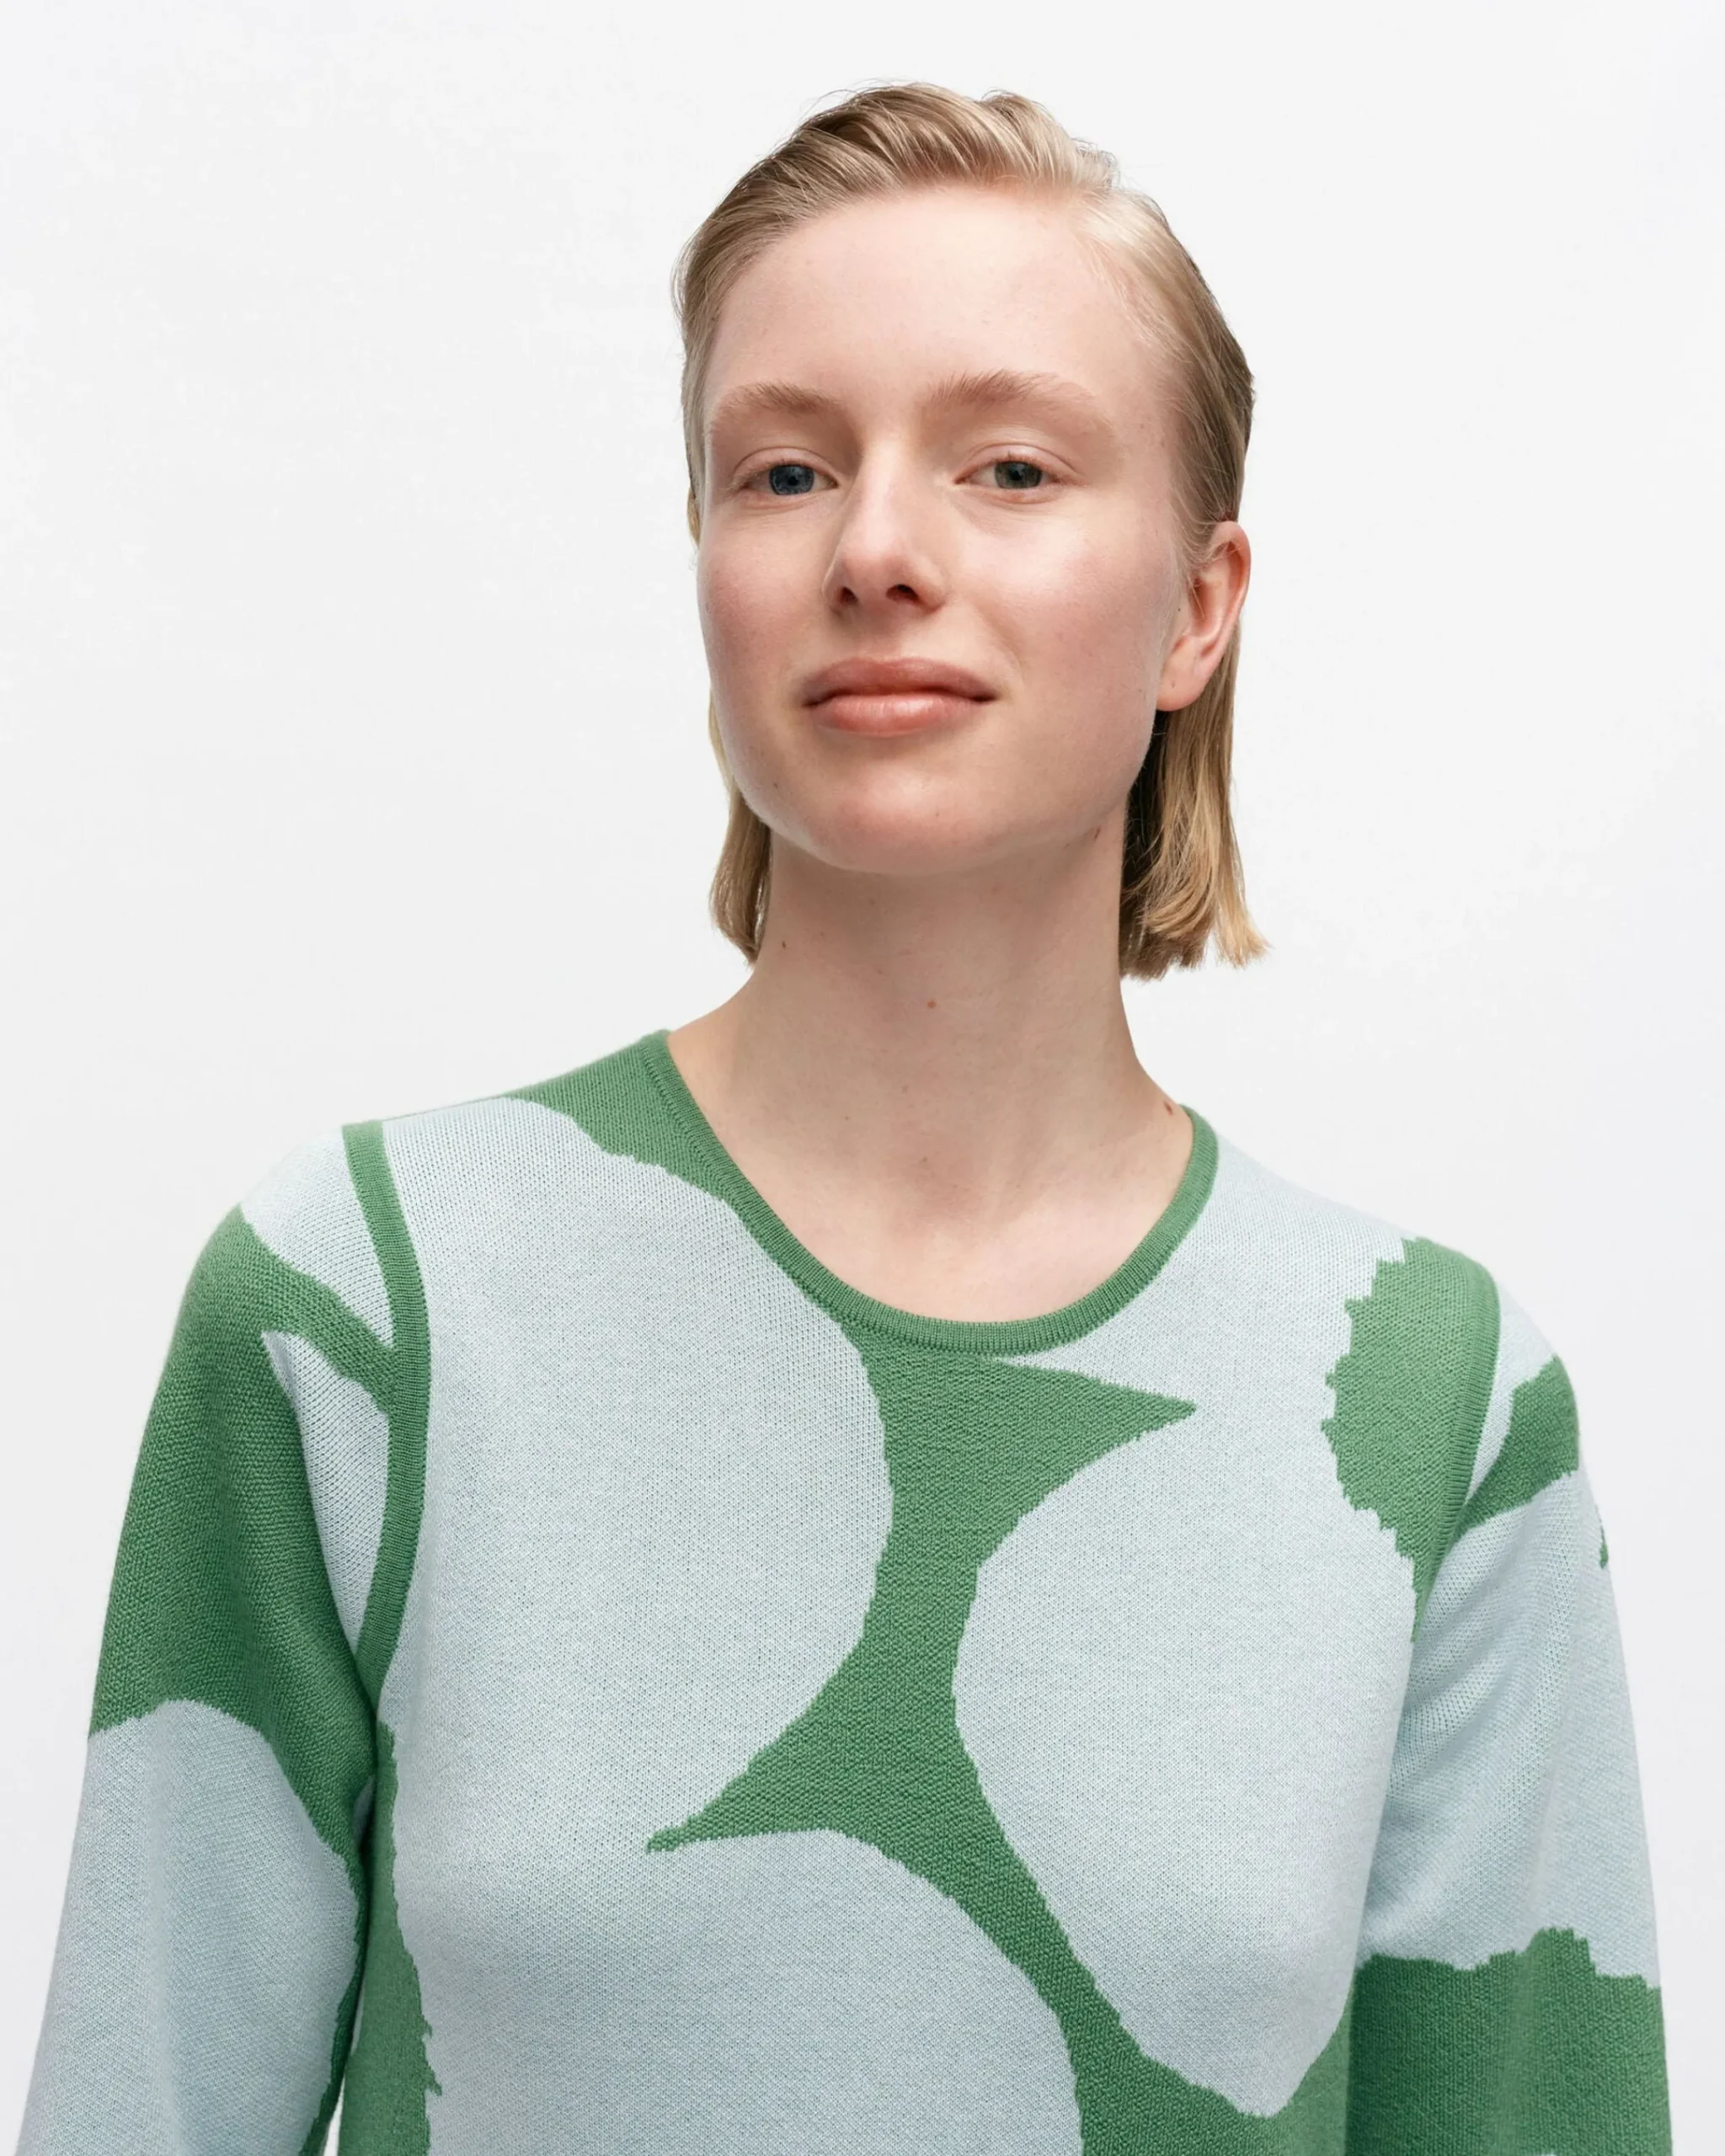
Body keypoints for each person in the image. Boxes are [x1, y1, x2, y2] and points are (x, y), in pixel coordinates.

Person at [18, 81, 1670, 2156]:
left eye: (1010, 465)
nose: (878, 551)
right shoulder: (370, 1301)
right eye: (785, 468)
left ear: (1197, 603)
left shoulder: (1432, 1403)